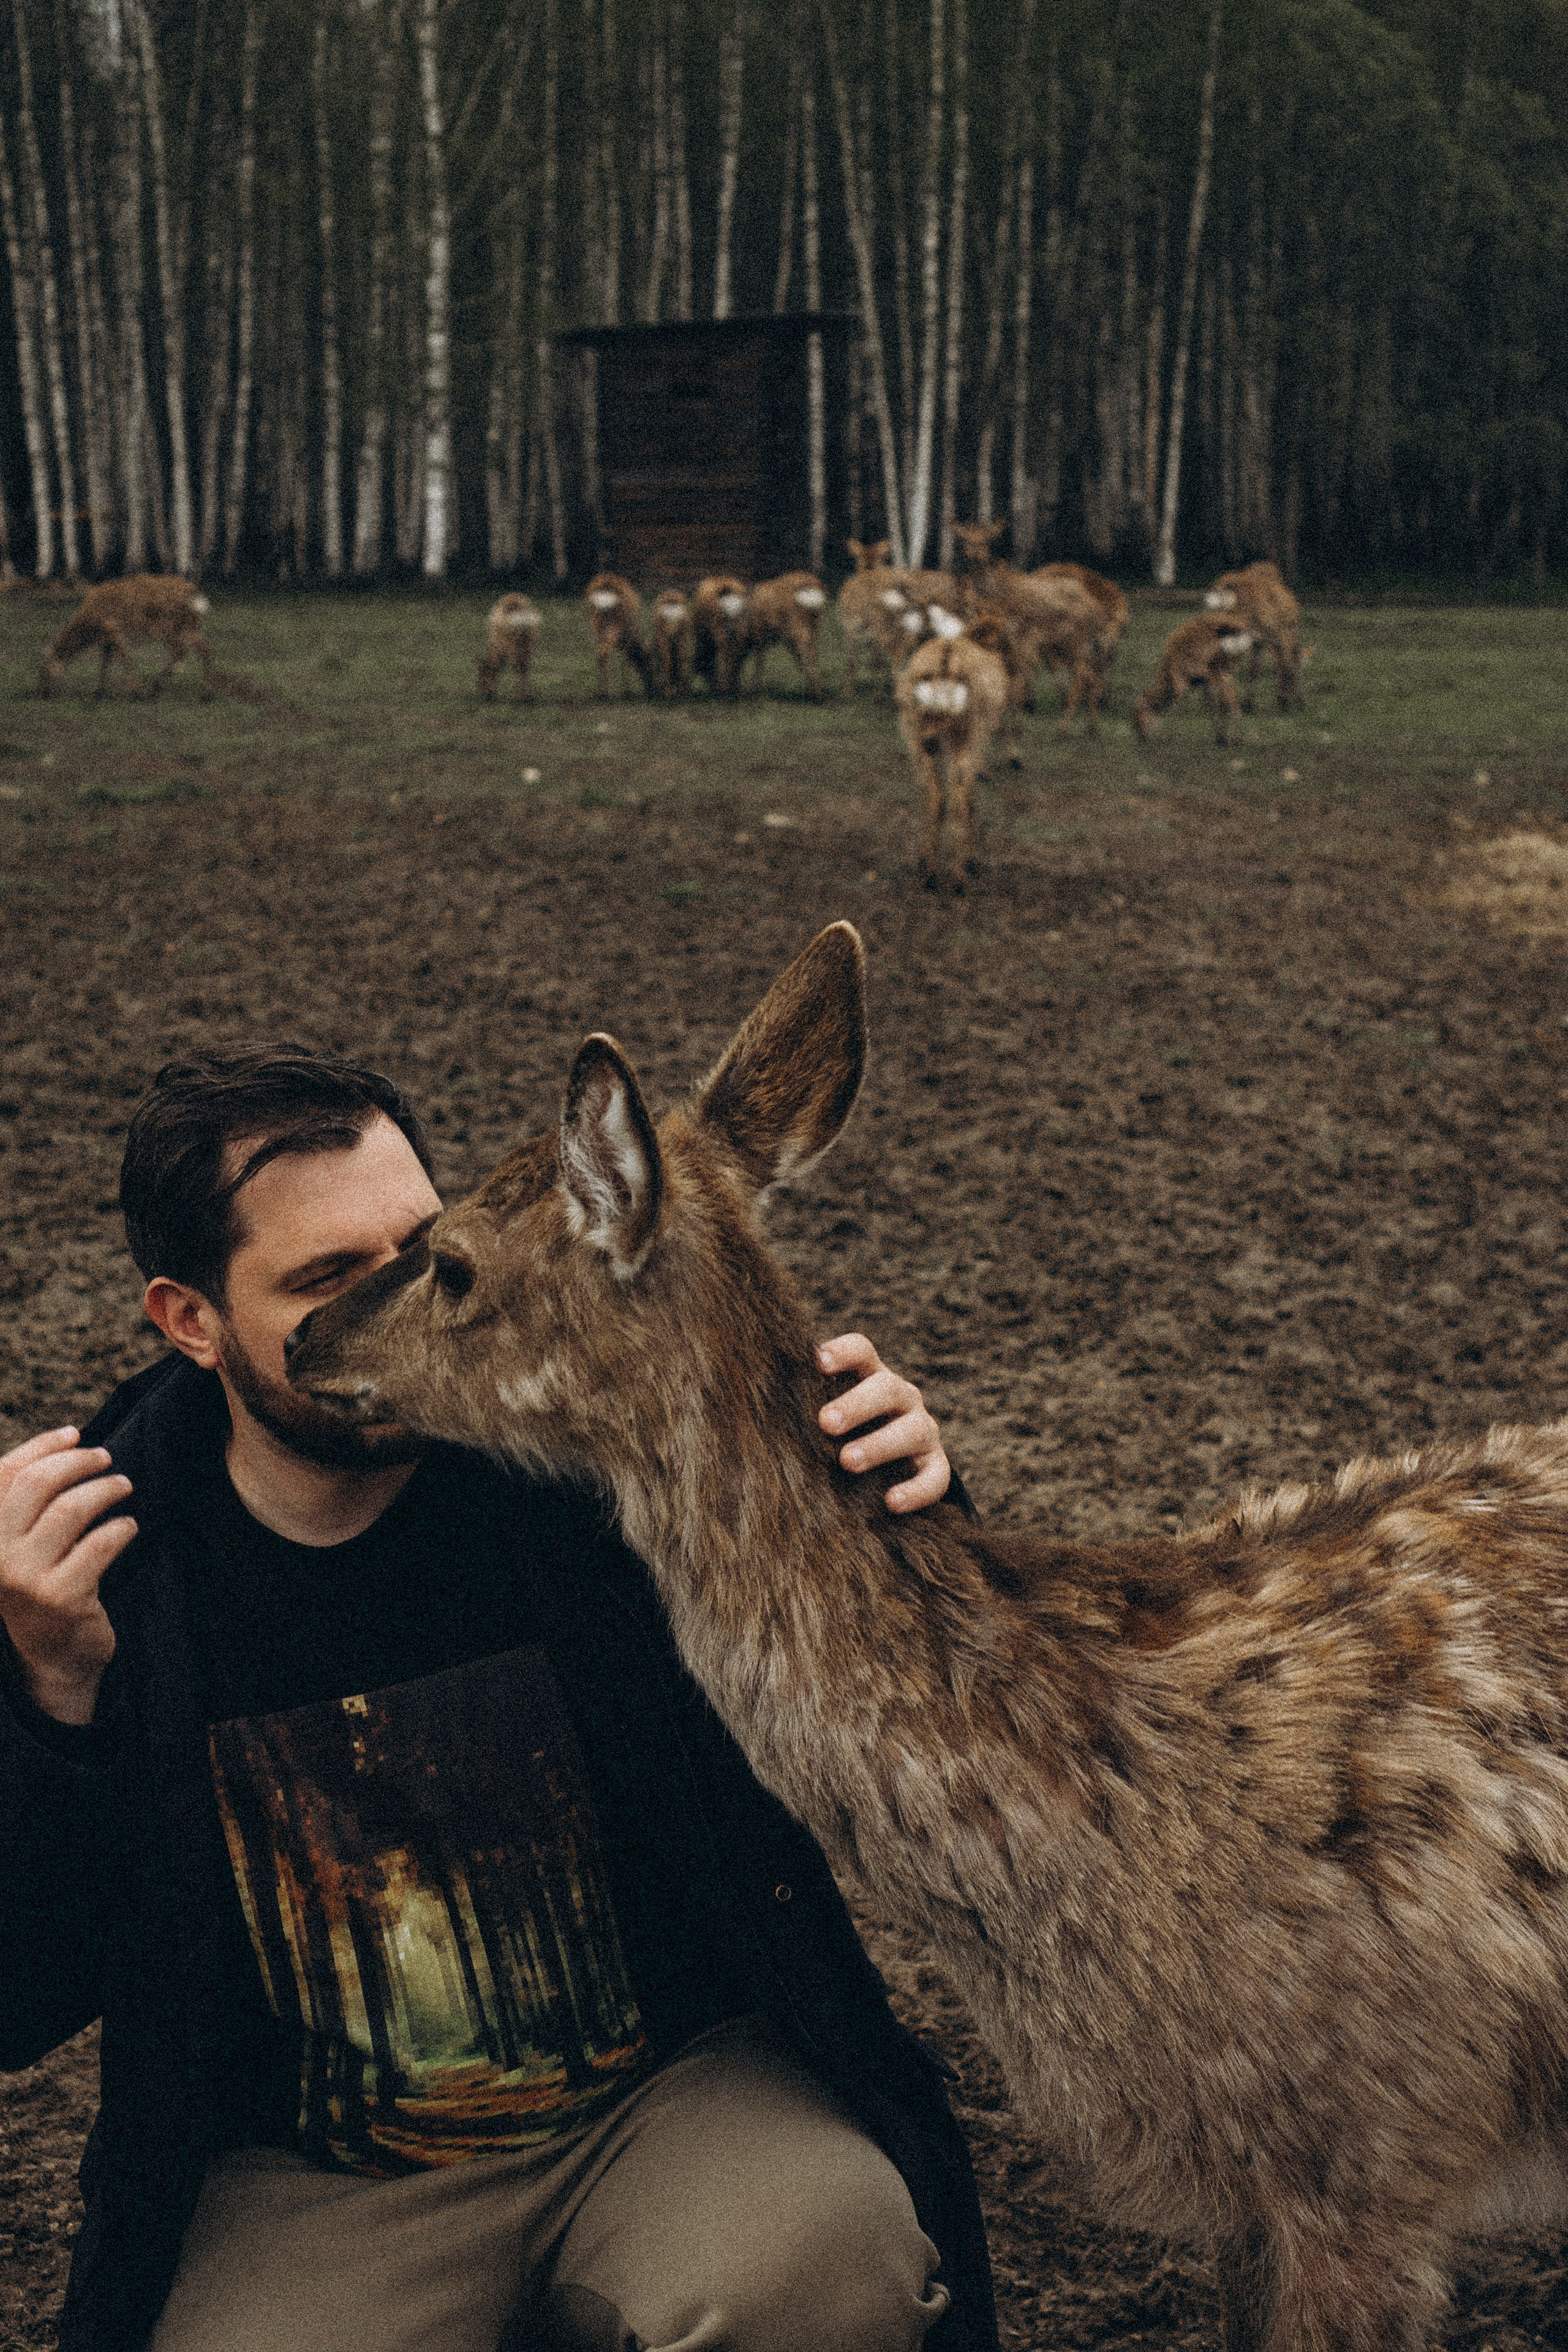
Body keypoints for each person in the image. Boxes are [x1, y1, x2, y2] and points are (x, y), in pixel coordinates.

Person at [0, 1046, 998, 2352]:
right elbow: (22, 2005)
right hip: (320, 2181)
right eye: (323, 1279)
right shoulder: (90, 1581)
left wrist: (903, 1510)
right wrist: (46, 1701)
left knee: (826, 2274)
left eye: (424, 1250)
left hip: (663, 2103)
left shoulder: (574, 1470)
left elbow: (907, 1736)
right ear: (189, 1320)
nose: (405, 1304)